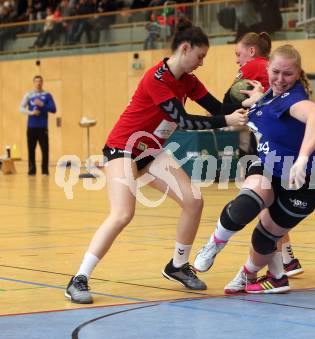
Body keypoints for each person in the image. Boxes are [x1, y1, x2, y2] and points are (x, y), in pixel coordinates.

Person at [65, 22, 248, 304]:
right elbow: (185, 121)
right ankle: (78, 278)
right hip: (123, 148)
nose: (201, 63)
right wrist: (226, 120)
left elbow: (217, 108)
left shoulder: (188, 79)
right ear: (184, 48)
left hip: (151, 151)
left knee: (193, 200)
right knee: (123, 213)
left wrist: (247, 101)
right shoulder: (156, 79)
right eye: (199, 57)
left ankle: (177, 265)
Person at [194, 44, 315, 293]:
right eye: (275, 72)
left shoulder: (295, 99)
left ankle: (253, 275)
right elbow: (266, 107)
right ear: (268, 68)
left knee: (265, 236)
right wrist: (258, 99)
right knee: (246, 203)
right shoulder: (269, 95)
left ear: (298, 73)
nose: (280, 79)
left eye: (287, 74)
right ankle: (214, 244)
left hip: (303, 183)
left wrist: (302, 158)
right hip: (269, 165)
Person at [223, 31, 304, 276]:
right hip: (279, 141)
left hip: (267, 142)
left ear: (251, 51)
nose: (237, 60)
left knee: (262, 201)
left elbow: (228, 100)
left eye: (238, 54)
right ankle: (288, 260)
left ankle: (281, 264)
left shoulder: (253, 66)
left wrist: (216, 118)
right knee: (269, 203)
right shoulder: (272, 71)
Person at [19, 75, 57, 176]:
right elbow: (21, 108)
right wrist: (31, 113)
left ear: (42, 82)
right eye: (36, 81)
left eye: (40, 81)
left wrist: (42, 105)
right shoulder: (29, 95)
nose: (38, 83)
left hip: (42, 126)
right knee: (31, 149)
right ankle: (32, 170)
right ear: (33, 82)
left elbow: (53, 109)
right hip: (31, 127)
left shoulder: (47, 95)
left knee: (45, 149)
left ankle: (45, 170)